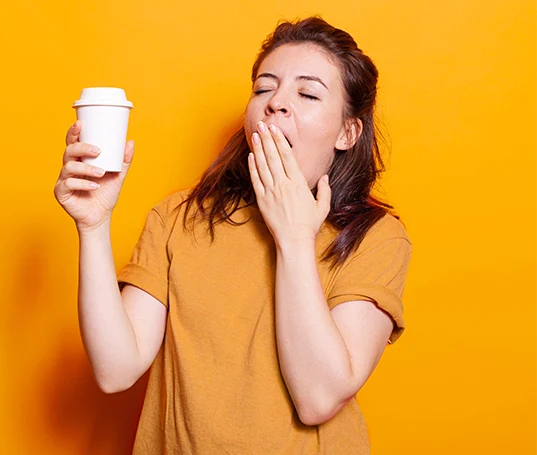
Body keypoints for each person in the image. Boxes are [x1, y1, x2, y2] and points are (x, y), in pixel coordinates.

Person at [53, 15, 412, 454]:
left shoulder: (377, 238)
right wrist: (93, 225)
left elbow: (317, 398)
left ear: (347, 132)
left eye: (307, 92)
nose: (276, 103)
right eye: (264, 88)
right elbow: (115, 368)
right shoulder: (180, 217)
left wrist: (295, 238)